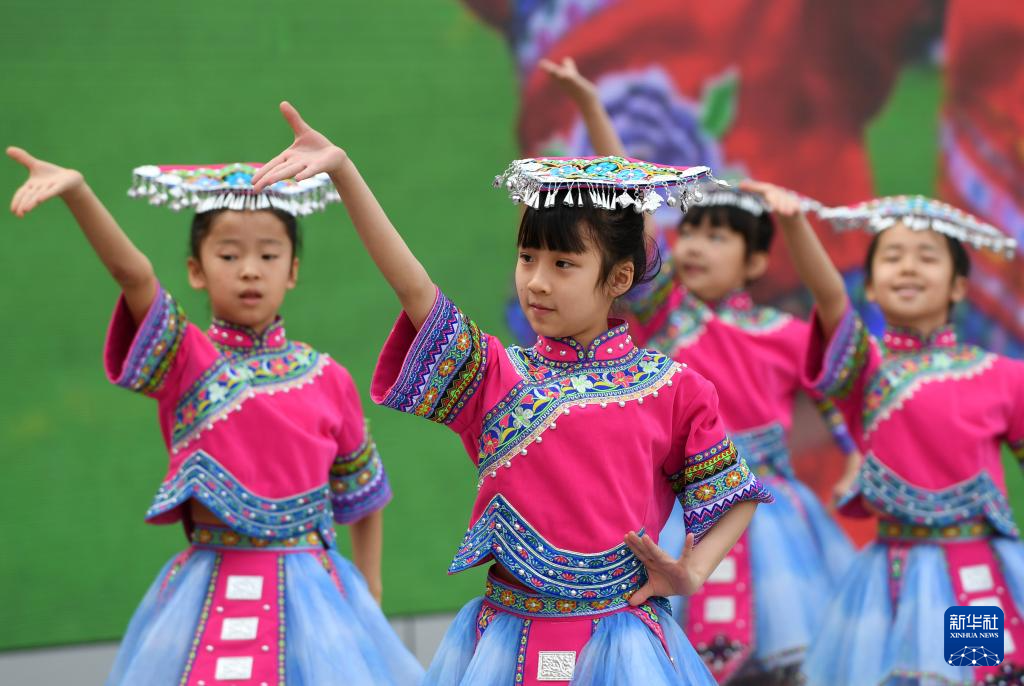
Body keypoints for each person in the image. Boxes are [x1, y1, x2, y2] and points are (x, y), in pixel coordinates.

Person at [252, 100, 772, 685]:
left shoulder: (673, 389)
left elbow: (734, 492)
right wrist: (345, 173)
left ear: (619, 278)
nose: (536, 282)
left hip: (624, 649)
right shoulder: (497, 375)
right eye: (527, 258)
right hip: (508, 642)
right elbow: (414, 288)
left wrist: (691, 573)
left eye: (563, 264)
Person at [6, 148, 423, 686]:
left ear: (292, 270)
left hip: (319, 598)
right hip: (211, 587)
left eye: (268, 254)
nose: (249, 269)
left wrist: (367, 594)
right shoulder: (188, 360)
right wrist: (79, 193)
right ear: (195, 271)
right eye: (228, 255)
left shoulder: (328, 377)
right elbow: (133, 275)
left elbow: (362, 494)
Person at [540, 57, 859, 684]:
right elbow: (631, 206)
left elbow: (834, 344)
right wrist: (592, 107)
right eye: (689, 233)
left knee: (784, 662)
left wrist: (795, 224)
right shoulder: (669, 316)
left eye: (718, 237)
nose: (694, 247)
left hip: (770, 521)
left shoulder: (787, 335)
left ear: (756, 261)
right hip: (682, 517)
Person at [747, 184, 1024, 685]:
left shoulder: (1004, 376)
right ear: (871, 287)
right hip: (891, 575)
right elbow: (830, 295)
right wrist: (794, 223)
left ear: (958, 286)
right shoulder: (865, 366)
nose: (909, 268)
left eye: (927, 257)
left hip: (973, 572)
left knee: (975, 676)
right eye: (893, 257)